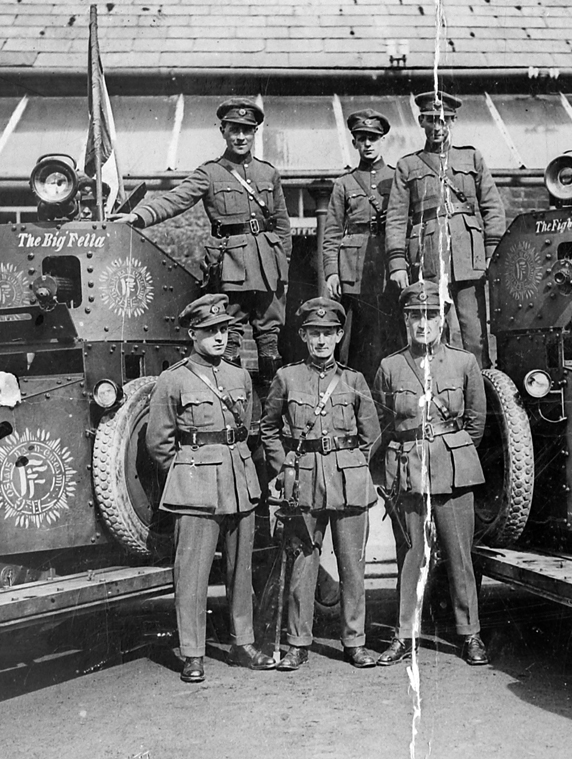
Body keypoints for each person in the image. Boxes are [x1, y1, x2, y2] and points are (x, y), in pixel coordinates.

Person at [113, 98, 291, 379]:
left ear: (255, 132)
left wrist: (284, 265)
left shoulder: (268, 173)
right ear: (223, 131)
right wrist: (139, 216)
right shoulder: (210, 173)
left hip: (269, 267)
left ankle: (273, 414)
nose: (241, 137)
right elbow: (176, 199)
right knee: (228, 334)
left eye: (247, 130)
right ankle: (234, 408)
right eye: (234, 130)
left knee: (270, 338)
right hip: (232, 266)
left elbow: (281, 222)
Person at [147, 293, 274, 681]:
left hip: (238, 481)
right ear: (192, 333)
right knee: (192, 573)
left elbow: (244, 430)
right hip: (196, 487)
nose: (219, 337)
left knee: (240, 569)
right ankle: (193, 653)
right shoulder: (174, 379)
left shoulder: (239, 376)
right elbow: (158, 442)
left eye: (223, 330)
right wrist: (189, 472)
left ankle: (242, 642)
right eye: (210, 331)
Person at [260, 297, 382, 670]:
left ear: (339, 335)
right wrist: (285, 468)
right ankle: (298, 641)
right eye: (314, 333)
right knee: (302, 564)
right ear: (303, 335)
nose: (321, 341)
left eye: (328, 334)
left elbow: (372, 433)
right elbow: (267, 429)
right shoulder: (287, 377)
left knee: (352, 566)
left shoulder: (354, 379)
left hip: (347, 482)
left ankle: (354, 641)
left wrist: (355, 465)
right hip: (304, 483)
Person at [373, 280, 488, 667]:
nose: (422, 324)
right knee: (411, 556)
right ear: (405, 321)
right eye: (414, 317)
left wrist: (446, 448)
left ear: (442, 320)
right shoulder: (390, 367)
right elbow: (382, 425)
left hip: (453, 470)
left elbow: (476, 423)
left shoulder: (464, 362)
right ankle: (405, 635)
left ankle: (469, 634)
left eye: (430, 316)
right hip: (408, 470)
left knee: (459, 555)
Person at [385, 91, 505, 367]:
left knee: (474, 334)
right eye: (432, 120)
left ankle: (478, 398)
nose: (438, 127)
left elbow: (493, 208)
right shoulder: (408, 166)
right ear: (421, 122)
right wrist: (397, 263)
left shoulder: (472, 159)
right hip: (426, 259)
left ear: (453, 121)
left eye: (444, 120)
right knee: (433, 332)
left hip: (469, 258)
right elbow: (396, 218)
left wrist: (491, 253)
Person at [322, 108, 402, 383]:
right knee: (355, 343)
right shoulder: (344, 184)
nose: (367, 143)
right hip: (354, 274)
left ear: (383, 141)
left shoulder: (396, 179)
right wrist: (332, 272)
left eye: (373, 137)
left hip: (388, 270)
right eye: (362, 138)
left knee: (391, 338)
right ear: (354, 142)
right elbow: (332, 232)